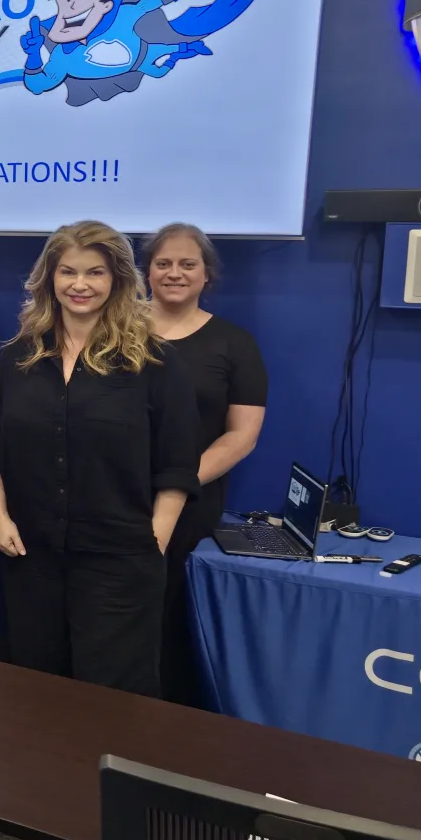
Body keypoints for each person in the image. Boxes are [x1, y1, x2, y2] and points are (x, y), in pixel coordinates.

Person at [0, 220, 200, 700]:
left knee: (113, 699)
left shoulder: (155, 362)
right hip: (30, 557)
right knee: (39, 691)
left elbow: (177, 464)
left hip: (120, 561)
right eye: (68, 272)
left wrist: (154, 539)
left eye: (94, 273)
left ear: (117, 279)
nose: (80, 284)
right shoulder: (19, 359)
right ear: (48, 279)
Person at [144, 223, 267, 706]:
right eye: (163, 263)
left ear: (206, 274)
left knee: (166, 620)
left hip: (190, 504)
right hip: (109, 495)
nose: (174, 273)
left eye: (187, 264)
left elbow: (242, 434)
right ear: (146, 272)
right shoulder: (113, 332)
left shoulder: (235, 344)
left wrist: (177, 481)